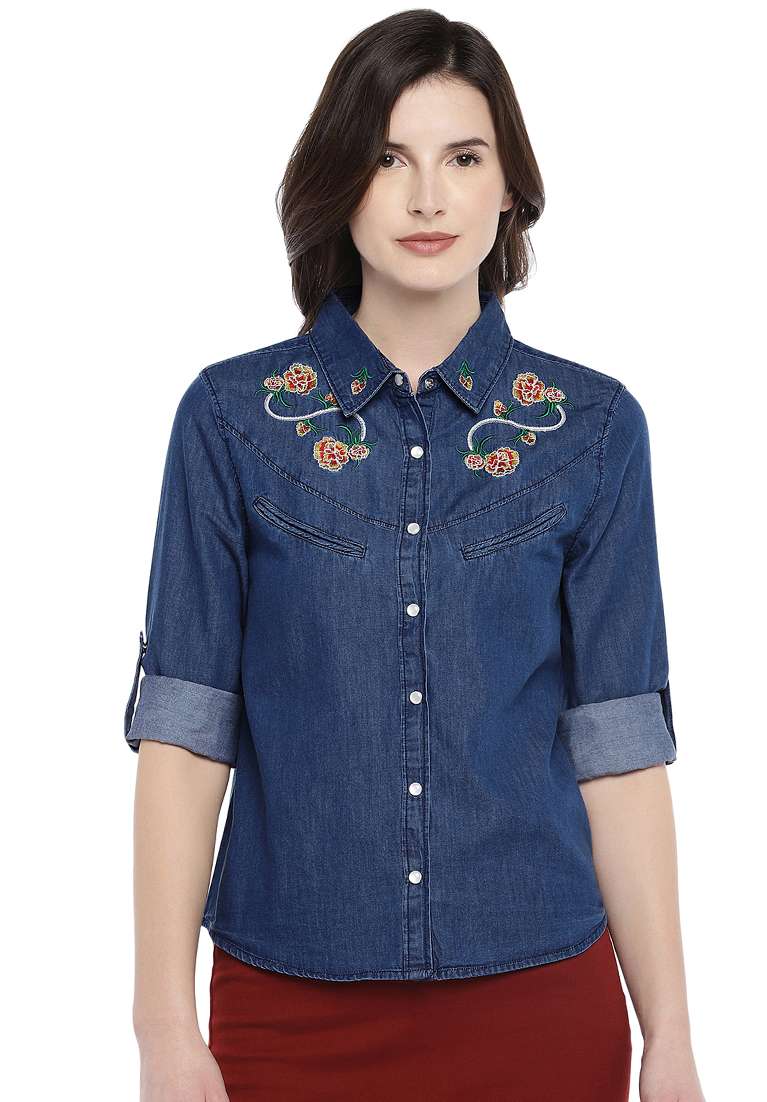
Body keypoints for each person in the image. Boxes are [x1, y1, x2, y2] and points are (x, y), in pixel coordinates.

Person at [126, 10, 705, 1102]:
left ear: (510, 188)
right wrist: (163, 1027)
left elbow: (619, 749)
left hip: (540, 999)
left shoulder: (591, 432)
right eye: (389, 158)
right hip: (285, 1005)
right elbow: (186, 734)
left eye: (463, 158)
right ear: (339, 181)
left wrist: (667, 1033)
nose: (427, 197)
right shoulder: (232, 421)